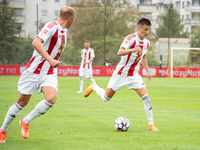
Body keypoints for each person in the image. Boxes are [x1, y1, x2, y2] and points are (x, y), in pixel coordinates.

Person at [0, 6, 76, 143]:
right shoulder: (51, 26)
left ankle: (25, 121)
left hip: (49, 72)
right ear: (70, 19)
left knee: (51, 98)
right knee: (22, 102)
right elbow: (36, 42)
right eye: (74, 20)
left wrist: (52, 63)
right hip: (34, 71)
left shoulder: (65, 31)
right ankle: (3, 129)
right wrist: (51, 60)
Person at [84, 18, 159, 131]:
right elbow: (119, 52)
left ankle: (151, 125)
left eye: (148, 30)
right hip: (121, 73)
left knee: (146, 97)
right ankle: (94, 86)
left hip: (134, 75)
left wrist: (147, 71)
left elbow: (143, 56)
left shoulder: (147, 43)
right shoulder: (130, 39)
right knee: (106, 98)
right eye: (145, 29)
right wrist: (133, 49)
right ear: (139, 28)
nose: (147, 32)